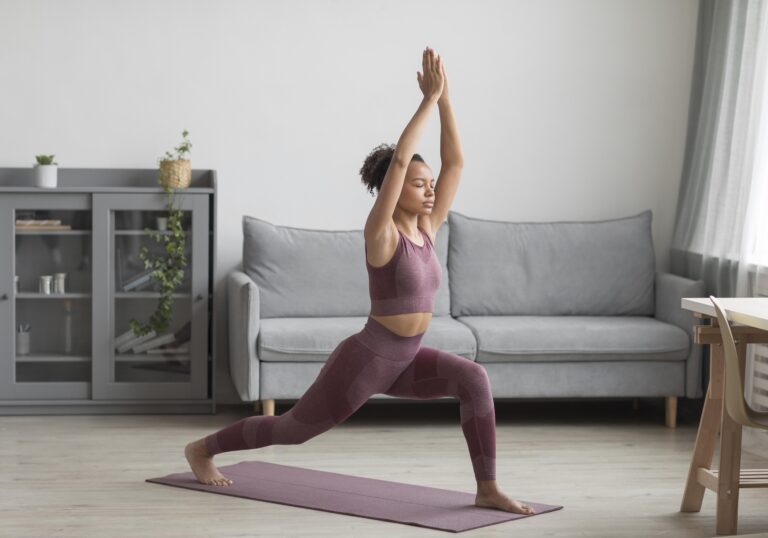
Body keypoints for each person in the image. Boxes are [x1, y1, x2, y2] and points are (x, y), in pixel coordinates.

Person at [185, 46, 535, 515]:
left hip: (408, 357)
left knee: (474, 378)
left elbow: (455, 164)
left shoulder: (428, 229)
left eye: (429, 184)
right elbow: (399, 162)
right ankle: (202, 449)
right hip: (368, 358)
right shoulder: (381, 233)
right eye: (419, 184)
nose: (430, 190)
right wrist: (427, 101)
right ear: (395, 189)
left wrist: (447, 98)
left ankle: (487, 487)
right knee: (292, 430)